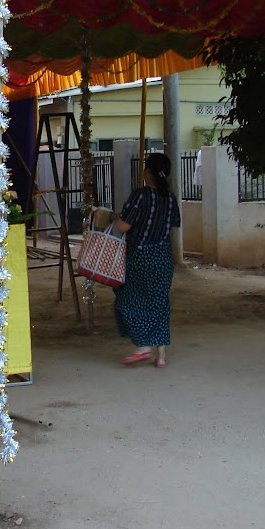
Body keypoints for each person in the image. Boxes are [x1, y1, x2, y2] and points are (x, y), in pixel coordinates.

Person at [113, 152, 181, 369]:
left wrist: (112, 217)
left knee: (128, 299)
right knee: (160, 302)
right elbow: (174, 224)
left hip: (140, 256)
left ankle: (143, 346)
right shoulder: (170, 198)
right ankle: (160, 356)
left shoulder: (141, 196)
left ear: (148, 172)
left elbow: (124, 226)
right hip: (163, 257)